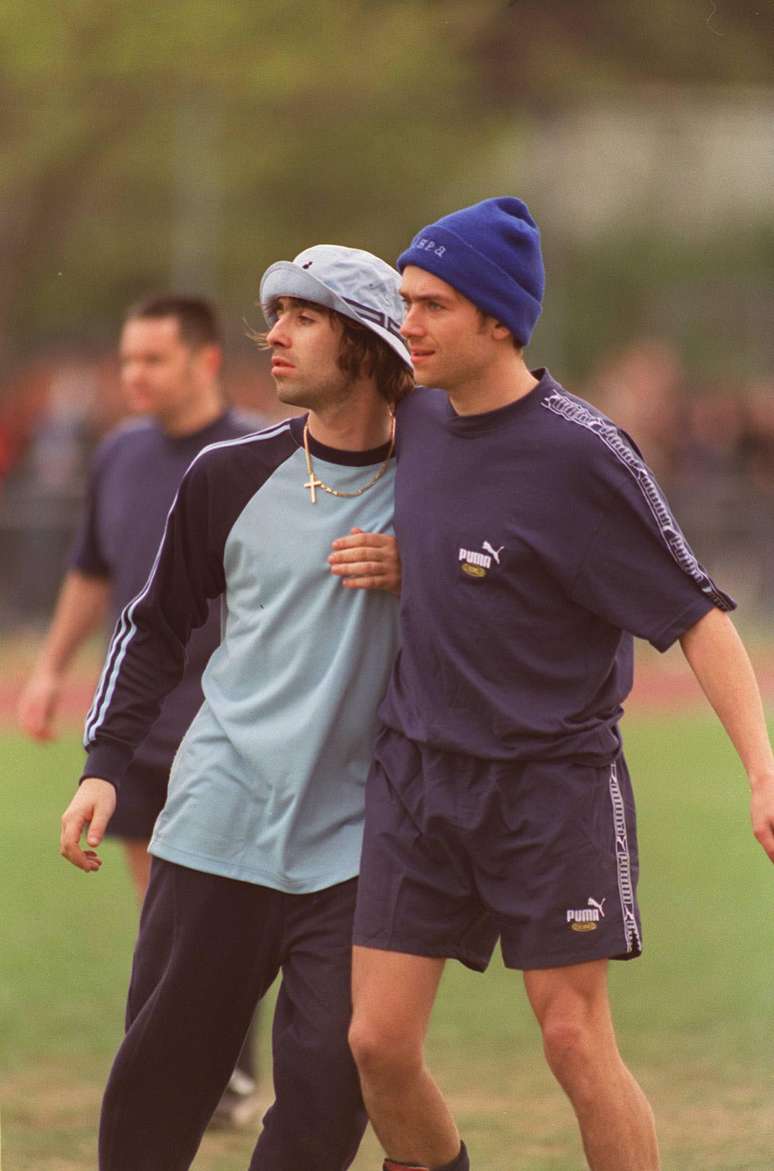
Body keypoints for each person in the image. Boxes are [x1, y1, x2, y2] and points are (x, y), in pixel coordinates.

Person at [346, 197, 774, 1171]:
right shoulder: (416, 419)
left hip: (551, 785)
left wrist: (761, 768)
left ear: (498, 319)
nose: (408, 323)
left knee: (575, 1041)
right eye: (405, 301)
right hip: (418, 774)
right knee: (377, 1044)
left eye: (432, 305)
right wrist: (416, 563)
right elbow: (477, 551)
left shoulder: (583, 451)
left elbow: (698, 614)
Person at [58, 244, 413, 1171]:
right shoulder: (226, 473)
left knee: (329, 1098)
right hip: (215, 825)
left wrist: (424, 566)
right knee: (158, 1091)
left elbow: (521, 587)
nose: (275, 334)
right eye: (277, 313)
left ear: (367, 343)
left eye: (305, 317)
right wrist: (103, 766)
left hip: (359, 849)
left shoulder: (442, 489)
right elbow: (152, 627)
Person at [18, 293, 264, 1126]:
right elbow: (92, 570)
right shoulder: (119, 453)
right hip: (139, 721)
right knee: (160, 901)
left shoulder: (257, 453)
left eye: (152, 359)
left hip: (229, 720)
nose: (133, 375)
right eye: (127, 359)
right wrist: (51, 668)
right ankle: (206, 1070)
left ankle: (226, 1070)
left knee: (217, 902)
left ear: (204, 360)